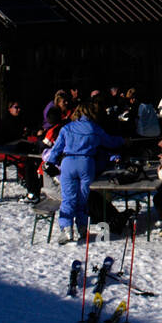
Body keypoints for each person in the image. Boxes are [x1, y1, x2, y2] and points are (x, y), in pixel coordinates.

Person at [44, 101, 123, 243]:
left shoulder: (67, 128)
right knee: (83, 197)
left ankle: (66, 229)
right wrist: (123, 141)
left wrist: (51, 162)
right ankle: (81, 227)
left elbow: (56, 149)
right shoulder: (94, 128)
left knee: (68, 198)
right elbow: (110, 142)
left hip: (68, 163)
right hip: (87, 163)